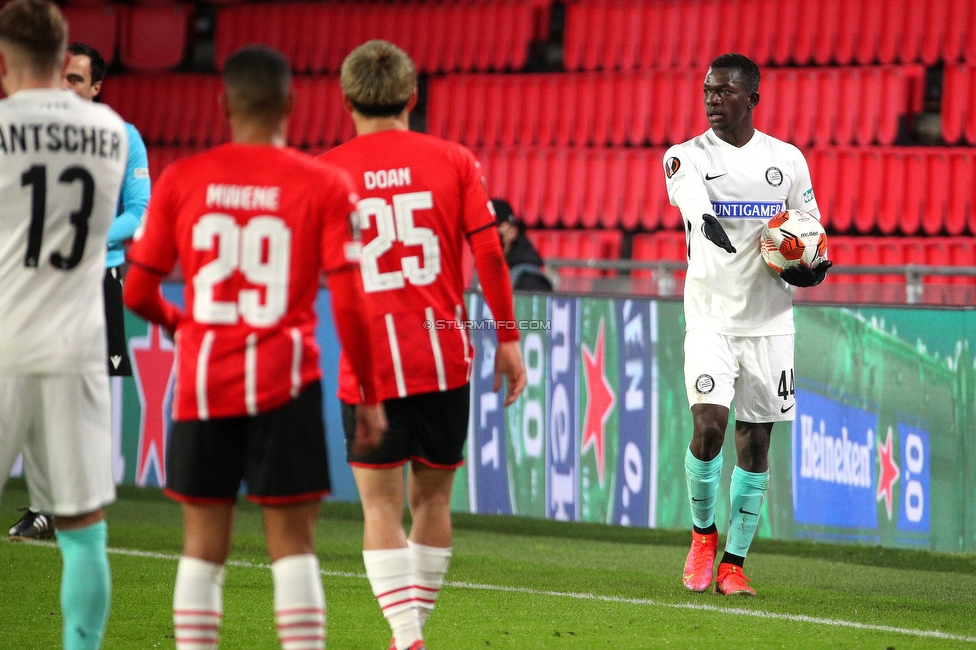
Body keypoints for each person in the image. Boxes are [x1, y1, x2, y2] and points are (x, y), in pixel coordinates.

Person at [122, 45, 385, 650]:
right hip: (285, 384)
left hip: (202, 382)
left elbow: (137, 289)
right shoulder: (325, 184)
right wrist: (368, 394)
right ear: (292, 103)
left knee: (202, 550)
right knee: (293, 549)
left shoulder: (182, 179)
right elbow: (349, 302)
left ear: (222, 105)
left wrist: (180, 323)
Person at [318, 40, 526, 650]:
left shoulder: (326, 171)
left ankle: (406, 635)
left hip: (368, 365)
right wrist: (508, 341)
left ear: (347, 99)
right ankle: (411, 633)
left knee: (379, 507)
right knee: (433, 498)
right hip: (441, 356)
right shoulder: (453, 159)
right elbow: (488, 251)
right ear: (412, 96)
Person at [662, 53, 831, 597]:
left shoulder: (787, 161)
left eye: (725, 92)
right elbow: (691, 201)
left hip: (771, 323)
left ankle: (733, 565)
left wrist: (811, 266)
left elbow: (809, 232)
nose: (713, 99)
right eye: (708, 90)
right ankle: (703, 536)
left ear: (751, 99)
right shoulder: (684, 157)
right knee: (709, 427)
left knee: (755, 445)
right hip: (710, 317)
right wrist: (706, 221)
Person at [0, 1, 129, 647]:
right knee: (83, 530)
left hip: (4, 338)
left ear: (4, 62)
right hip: (78, 344)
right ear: (64, 59)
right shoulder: (110, 132)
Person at [9, 41, 151, 541]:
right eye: (60, 77)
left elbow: (140, 212)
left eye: (76, 80)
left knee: (79, 399)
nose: (65, 87)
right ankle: (45, 507)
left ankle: (73, 509)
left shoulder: (124, 138)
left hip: (94, 279)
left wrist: (87, 237)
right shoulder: (25, 137)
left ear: (95, 88)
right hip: (35, 280)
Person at [492, 197, 552, 292]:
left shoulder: (530, 280)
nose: (490, 232)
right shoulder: (483, 272)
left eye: (497, 226)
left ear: (513, 231)